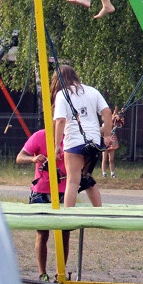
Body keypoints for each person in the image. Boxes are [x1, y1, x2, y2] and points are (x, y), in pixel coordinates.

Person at [51, 65, 113, 208]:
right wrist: (107, 135)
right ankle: (99, 211)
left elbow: (60, 120)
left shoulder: (63, 94)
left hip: (74, 142)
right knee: (86, 177)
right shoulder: (92, 91)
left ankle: (68, 216)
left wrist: (57, 145)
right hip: (94, 141)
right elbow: (107, 113)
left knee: (73, 180)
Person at [16, 129, 70, 282]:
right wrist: (33, 159)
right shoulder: (40, 135)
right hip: (41, 191)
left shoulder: (70, 135)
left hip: (63, 191)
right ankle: (42, 274)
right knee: (42, 234)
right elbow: (19, 157)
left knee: (64, 234)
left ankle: (60, 274)